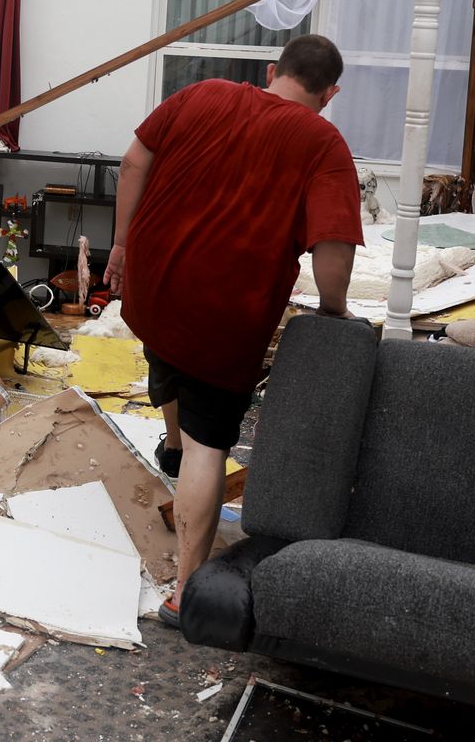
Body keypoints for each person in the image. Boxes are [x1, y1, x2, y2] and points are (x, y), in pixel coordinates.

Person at [104, 34, 362, 629]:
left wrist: (122, 243)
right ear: (330, 93)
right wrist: (333, 309)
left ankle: (170, 442)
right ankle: (186, 591)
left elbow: (133, 160)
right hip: (228, 312)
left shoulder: (201, 93)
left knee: (164, 350)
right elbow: (333, 243)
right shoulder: (322, 141)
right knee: (208, 447)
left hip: (155, 281)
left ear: (274, 70)